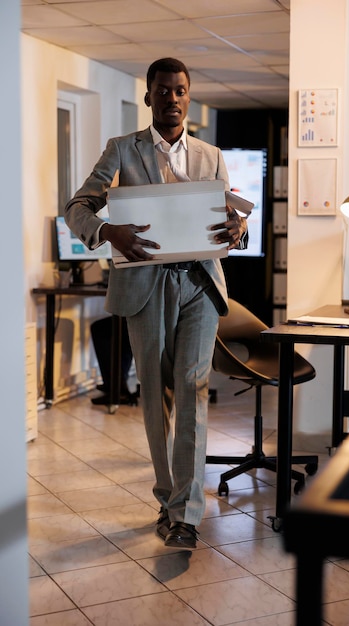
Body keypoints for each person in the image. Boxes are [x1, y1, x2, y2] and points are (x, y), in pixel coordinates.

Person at [65, 57, 248, 550]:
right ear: (149, 97)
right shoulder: (122, 150)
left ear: (189, 96)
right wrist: (107, 231)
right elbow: (77, 207)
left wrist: (238, 228)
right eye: (163, 91)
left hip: (199, 284)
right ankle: (168, 498)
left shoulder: (210, 155)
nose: (172, 99)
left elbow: (232, 219)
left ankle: (186, 515)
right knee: (156, 396)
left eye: (180, 90)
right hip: (146, 284)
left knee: (192, 385)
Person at [90, 316, 139, 406]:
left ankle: (116, 388)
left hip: (139, 320)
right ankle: (118, 383)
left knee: (99, 328)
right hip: (149, 319)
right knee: (122, 325)